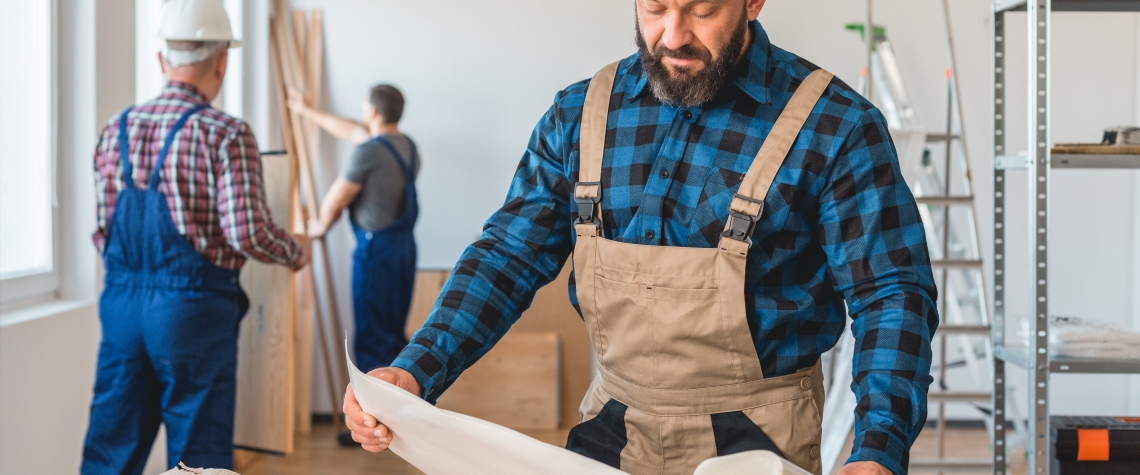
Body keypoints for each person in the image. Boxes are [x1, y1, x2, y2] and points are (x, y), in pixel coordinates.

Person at [344, 1, 939, 474]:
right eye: (654, 7)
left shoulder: (834, 126)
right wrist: (415, 371)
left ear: (753, 2)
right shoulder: (578, 115)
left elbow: (891, 293)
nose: (673, 35)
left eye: (701, 9)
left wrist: (878, 450)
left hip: (761, 443)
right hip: (611, 431)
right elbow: (508, 256)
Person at [82, 0, 308, 472]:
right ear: (222, 62)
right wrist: (293, 250)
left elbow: (103, 230)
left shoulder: (115, 128)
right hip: (192, 311)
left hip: (122, 305)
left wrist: (137, 278)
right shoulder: (225, 134)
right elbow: (245, 232)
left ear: (162, 60)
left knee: (111, 445)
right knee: (197, 454)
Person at [287, 85, 419, 390]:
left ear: (373, 112)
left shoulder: (370, 151)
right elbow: (351, 131)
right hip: (404, 250)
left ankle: (373, 423)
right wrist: (306, 110)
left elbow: (337, 198)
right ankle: (398, 419)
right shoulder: (406, 146)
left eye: (364, 108)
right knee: (394, 334)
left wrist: (320, 225)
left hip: (376, 253)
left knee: (373, 337)